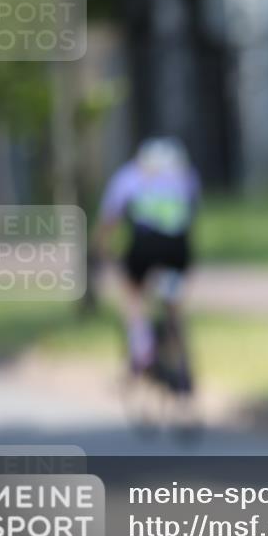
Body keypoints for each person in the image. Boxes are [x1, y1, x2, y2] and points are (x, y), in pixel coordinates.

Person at [94, 136, 200, 392]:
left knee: (132, 293)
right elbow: (191, 210)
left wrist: (100, 249)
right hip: (178, 248)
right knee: (174, 305)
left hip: (145, 247)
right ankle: (181, 361)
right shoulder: (186, 175)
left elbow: (109, 220)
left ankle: (142, 347)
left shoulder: (130, 175)